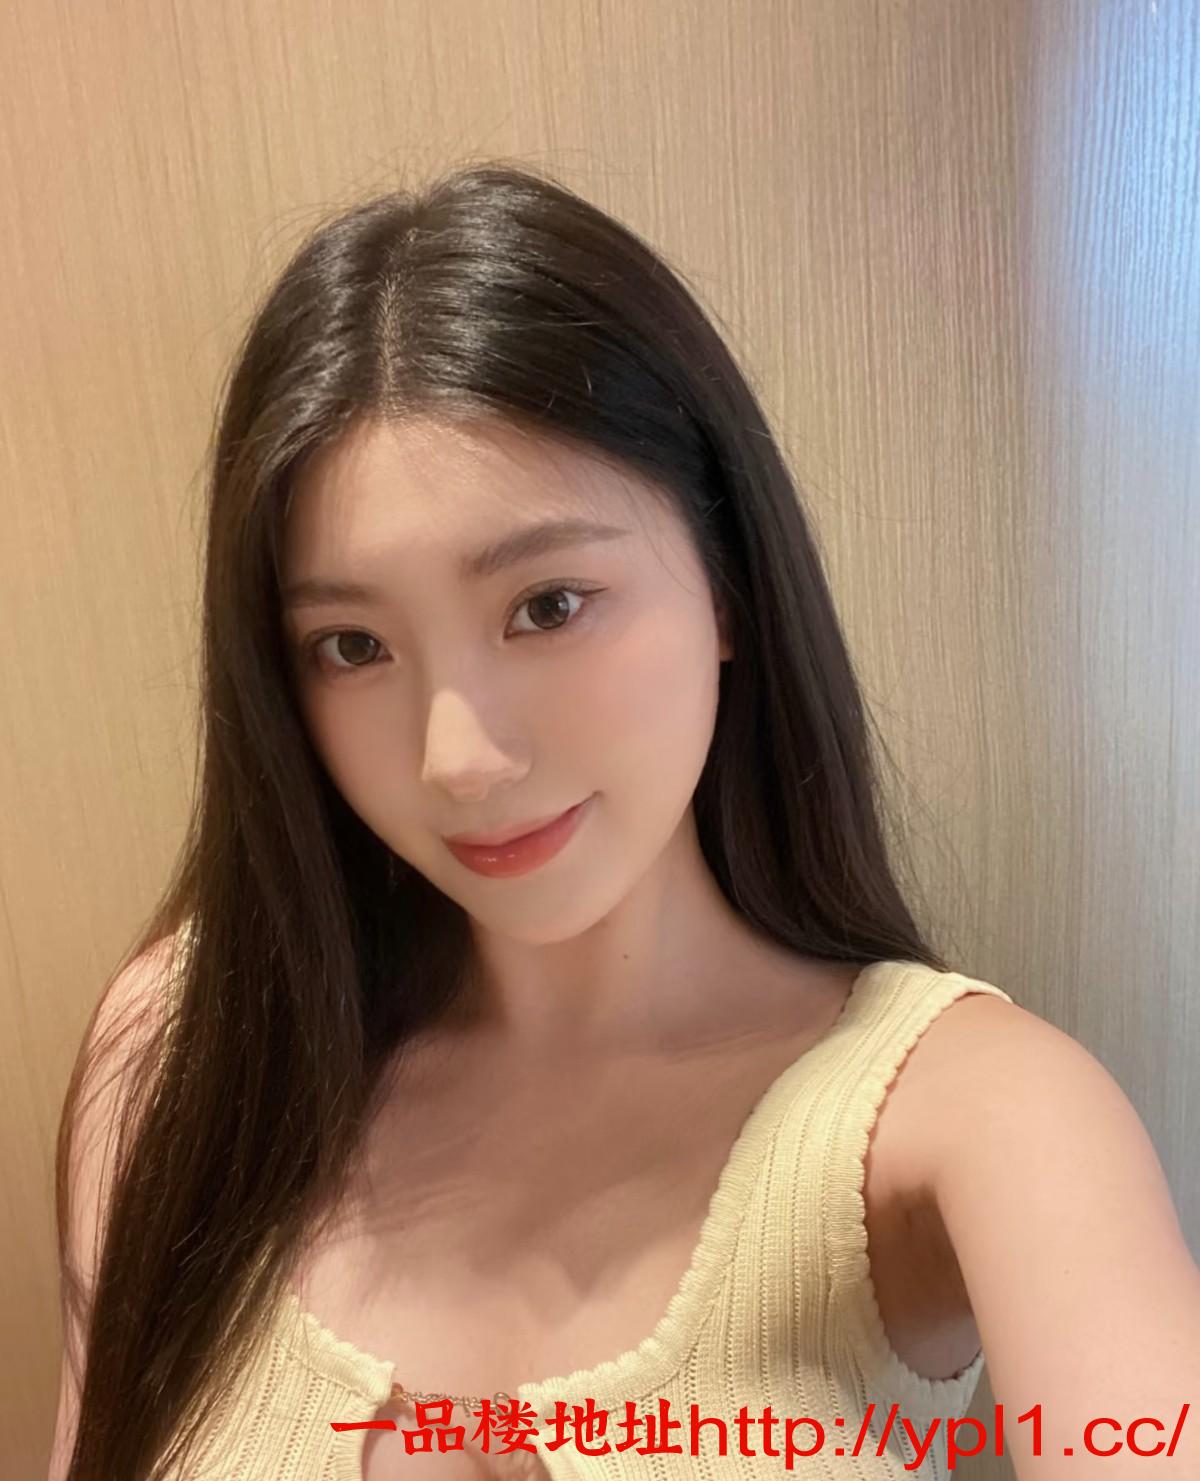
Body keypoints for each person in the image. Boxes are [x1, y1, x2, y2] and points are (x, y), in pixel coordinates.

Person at [49, 161, 1200, 1481]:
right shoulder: (187, 1054)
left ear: (728, 586)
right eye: (353, 645)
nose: (458, 759)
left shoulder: (974, 1118)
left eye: (547, 606)